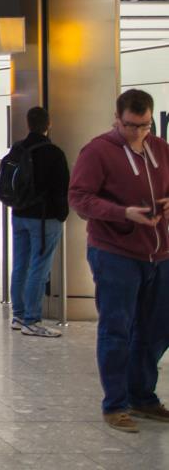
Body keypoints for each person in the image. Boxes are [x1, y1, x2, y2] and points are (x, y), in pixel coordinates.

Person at [68, 88, 169, 433]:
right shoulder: (97, 151)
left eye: (144, 126)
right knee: (117, 328)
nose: (138, 133)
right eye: (130, 126)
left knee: (157, 327)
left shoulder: (160, 149)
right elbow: (80, 199)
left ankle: (143, 395)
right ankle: (115, 403)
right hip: (115, 254)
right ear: (117, 118)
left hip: (160, 253)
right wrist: (123, 213)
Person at [7, 106, 70, 338]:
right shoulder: (53, 153)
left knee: (20, 264)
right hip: (44, 218)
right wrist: (62, 214)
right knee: (39, 268)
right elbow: (62, 189)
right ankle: (32, 320)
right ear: (48, 124)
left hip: (19, 214)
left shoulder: (18, 149)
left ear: (28, 123)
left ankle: (19, 315)